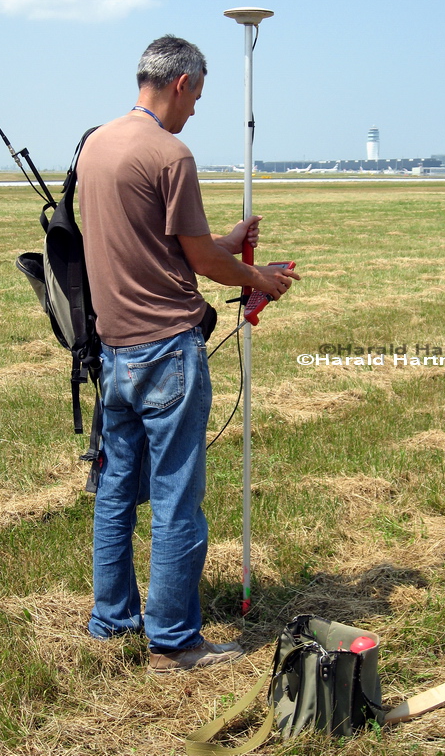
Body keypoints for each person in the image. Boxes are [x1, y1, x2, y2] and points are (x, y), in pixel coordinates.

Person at [77, 35, 299, 673]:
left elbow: (163, 242)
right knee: (177, 496)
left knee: (117, 488)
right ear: (181, 84)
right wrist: (261, 281)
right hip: (167, 353)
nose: (196, 109)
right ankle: (175, 641)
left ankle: (110, 619)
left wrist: (228, 241)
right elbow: (199, 263)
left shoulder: (98, 144)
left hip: (115, 352)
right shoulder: (171, 153)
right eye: (198, 95)